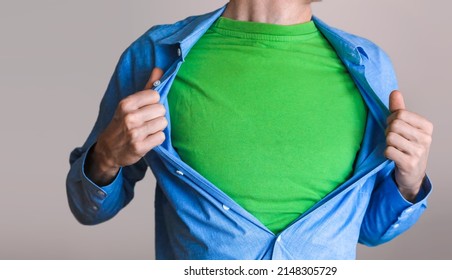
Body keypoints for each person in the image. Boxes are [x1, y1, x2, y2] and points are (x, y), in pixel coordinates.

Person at [66, 0, 433, 259]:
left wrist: (409, 182)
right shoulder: (154, 54)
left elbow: (368, 229)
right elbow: (89, 209)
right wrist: (107, 157)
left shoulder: (370, 66)